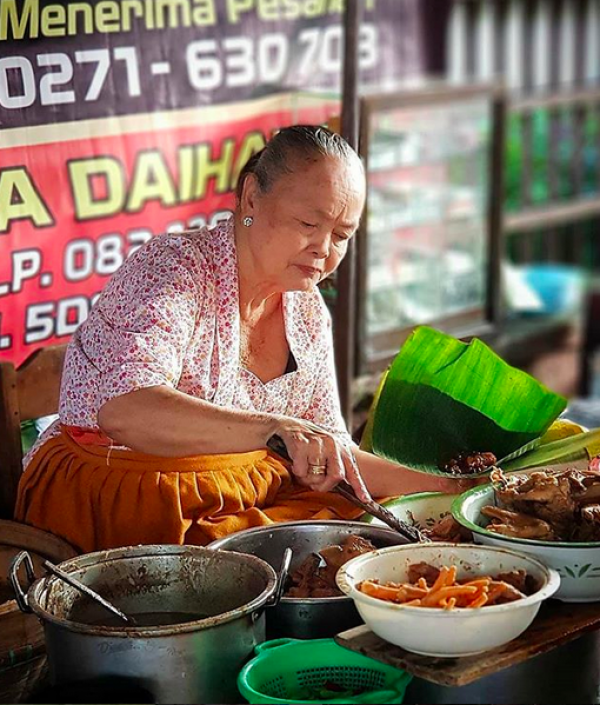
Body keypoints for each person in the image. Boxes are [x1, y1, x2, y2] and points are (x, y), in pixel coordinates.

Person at [16, 125, 465, 553]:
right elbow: (125, 410)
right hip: (129, 502)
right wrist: (271, 428)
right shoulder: (173, 269)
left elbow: (334, 455)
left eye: (342, 235)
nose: (324, 250)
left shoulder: (306, 311)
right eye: (309, 223)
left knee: (356, 533)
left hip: (232, 503)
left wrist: (452, 490)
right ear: (251, 197)